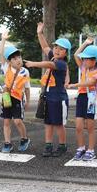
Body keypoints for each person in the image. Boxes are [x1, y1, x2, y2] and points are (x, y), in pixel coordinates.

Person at [24, 22, 71, 157]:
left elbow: (48, 64)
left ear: (66, 53)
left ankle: (62, 146)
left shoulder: (61, 64)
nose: (56, 50)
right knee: (48, 123)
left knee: (59, 124)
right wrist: (39, 33)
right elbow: (45, 46)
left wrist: (33, 64)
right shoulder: (53, 56)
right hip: (49, 97)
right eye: (56, 47)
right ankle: (48, 145)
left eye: (61, 49)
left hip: (59, 99)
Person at [67, 38, 97, 161]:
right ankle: (81, 148)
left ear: (94, 60)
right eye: (84, 58)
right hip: (82, 98)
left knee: (90, 127)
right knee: (78, 126)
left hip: (92, 100)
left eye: (87, 58)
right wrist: (85, 43)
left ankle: (91, 150)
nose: (84, 60)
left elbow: (90, 83)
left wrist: (74, 85)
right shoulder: (84, 68)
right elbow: (75, 55)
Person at [0, 31, 31, 153]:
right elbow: (1, 53)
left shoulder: (25, 72)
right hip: (6, 97)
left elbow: (27, 88)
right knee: (6, 121)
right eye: (14, 58)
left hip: (18, 98)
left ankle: (24, 138)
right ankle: (7, 143)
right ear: (9, 61)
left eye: (19, 57)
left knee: (17, 121)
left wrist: (27, 101)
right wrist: (3, 39)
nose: (18, 60)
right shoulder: (7, 68)